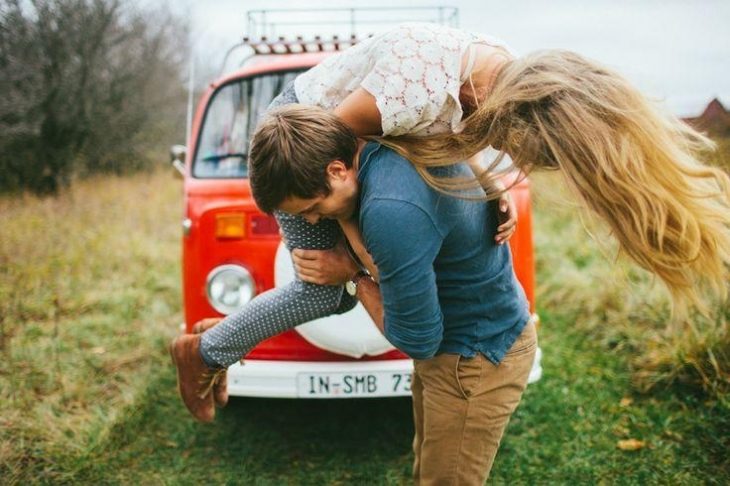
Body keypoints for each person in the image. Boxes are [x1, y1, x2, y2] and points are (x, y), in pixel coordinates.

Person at [171, 22, 730, 422]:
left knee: (340, 282)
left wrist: (493, 186)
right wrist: (355, 263)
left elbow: (456, 136)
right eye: (524, 152)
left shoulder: (506, 75)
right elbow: (335, 181)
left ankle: (218, 336)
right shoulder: (400, 93)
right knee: (325, 293)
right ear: (496, 105)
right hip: (301, 130)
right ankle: (205, 352)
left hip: (340, 143)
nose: (520, 157)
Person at [253, 104, 537, 484]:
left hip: (475, 356)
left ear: (337, 171)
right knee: (428, 463)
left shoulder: (389, 212)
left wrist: (351, 272)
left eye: (313, 207)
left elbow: (419, 340)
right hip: (457, 348)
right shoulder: (387, 138)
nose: (312, 220)